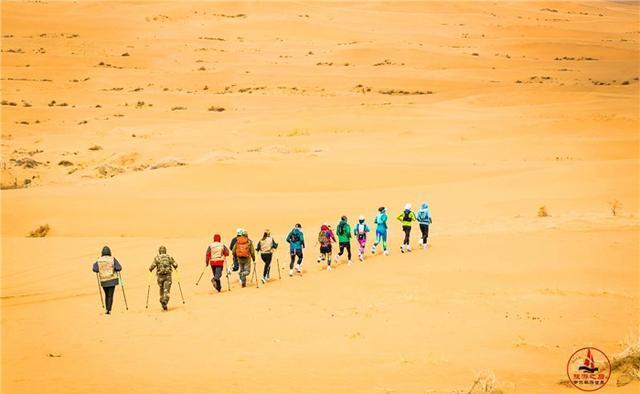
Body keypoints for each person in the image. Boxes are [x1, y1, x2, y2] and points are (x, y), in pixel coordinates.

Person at [92, 245, 122, 315]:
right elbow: (119, 268)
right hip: (112, 280)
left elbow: (95, 269)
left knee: (106, 294)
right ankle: (109, 309)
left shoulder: (99, 260)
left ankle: (107, 309)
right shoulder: (112, 259)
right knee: (110, 295)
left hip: (103, 281)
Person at [149, 245, 178, 311]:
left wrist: (150, 269)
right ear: (165, 251)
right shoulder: (169, 257)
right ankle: (164, 300)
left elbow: (151, 267)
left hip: (160, 277)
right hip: (168, 276)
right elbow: (175, 265)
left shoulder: (157, 258)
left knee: (161, 289)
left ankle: (163, 301)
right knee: (166, 290)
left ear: (159, 252)